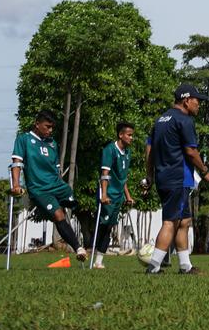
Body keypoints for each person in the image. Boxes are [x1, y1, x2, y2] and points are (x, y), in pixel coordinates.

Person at [143, 84, 209, 275]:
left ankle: (185, 266)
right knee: (170, 222)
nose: (198, 105)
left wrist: (150, 175)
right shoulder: (184, 120)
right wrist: (205, 170)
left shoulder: (160, 120)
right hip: (178, 178)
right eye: (196, 101)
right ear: (186, 100)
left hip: (163, 176)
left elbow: (149, 149)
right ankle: (154, 266)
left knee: (184, 221)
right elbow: (191, 151)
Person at [10, 110, 86, 264]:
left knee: (74, 207)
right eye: (47, 126)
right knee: (58, 215)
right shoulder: (24, 140)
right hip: (39, 189)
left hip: (57, 186)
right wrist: (16, 184)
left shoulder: (52, 143)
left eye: (52, 127)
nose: (50, 130)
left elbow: (56, 169)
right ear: (37, 124)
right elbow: (17, 163)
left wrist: (60, 186)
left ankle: (81, 241)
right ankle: (78, 248)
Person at [92, 122, 136, 269]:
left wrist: (128, 196)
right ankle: (86, 251)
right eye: (129, 135)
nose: (131, 138)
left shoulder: (127, 153)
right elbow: (105, 174)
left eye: (132, 135)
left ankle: (99, 261)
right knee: (102, 226)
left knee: (110, 227)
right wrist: (103, 195)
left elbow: (122, 178)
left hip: (118, 197)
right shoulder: (109, 150)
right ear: (120, 135)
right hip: (108, 195)